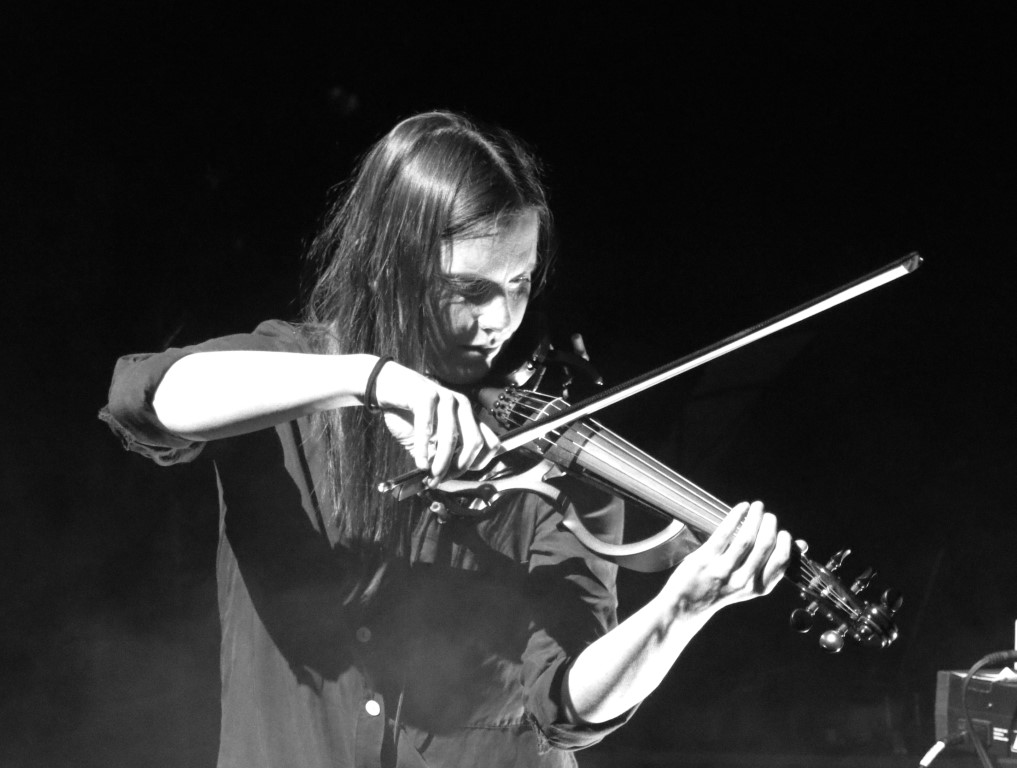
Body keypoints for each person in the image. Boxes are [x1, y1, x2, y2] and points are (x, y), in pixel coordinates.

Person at [100, 111, 791, 768]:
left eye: (519, 283)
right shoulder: (292, 376)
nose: (501, 319)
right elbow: (147, 399)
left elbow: (566, 707)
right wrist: (370, 380)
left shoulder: (550, 453)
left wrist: (680, 609)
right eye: (469, 289)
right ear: (389, 267)